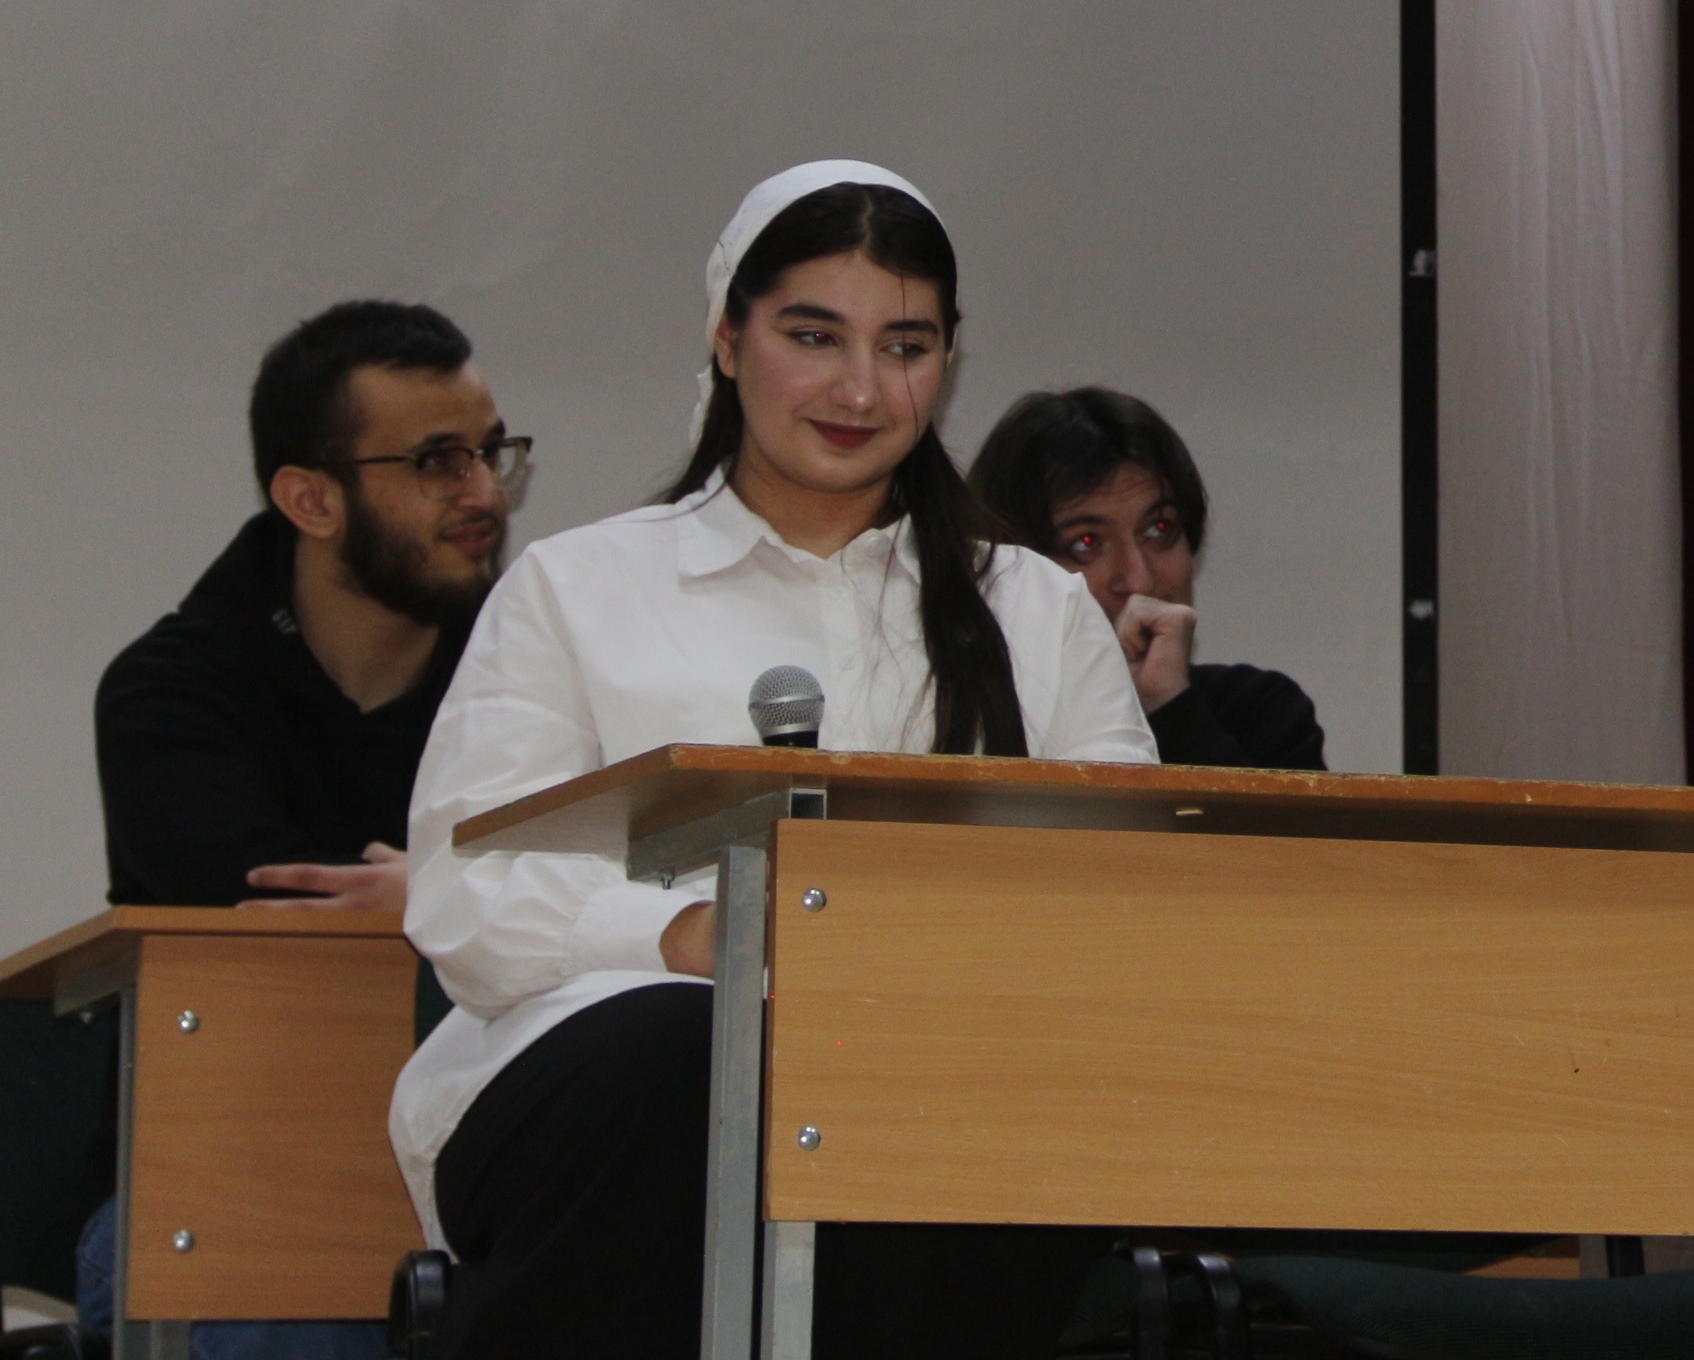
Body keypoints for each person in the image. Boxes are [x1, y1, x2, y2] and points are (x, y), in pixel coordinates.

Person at [394, 164, 1156, 1360]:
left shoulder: (1037, 611)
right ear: (727, 335)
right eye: (813, 336)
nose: (860, 389)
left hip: (925, 1067)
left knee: (994, 1092)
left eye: (905, 347)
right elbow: (464, 886)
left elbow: (1128, 903)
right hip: (613, 1070)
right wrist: (695, 939)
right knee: (692, 1052)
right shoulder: (579, 587)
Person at [78, 299, 522, 1359]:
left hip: (487, 1154)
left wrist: (434, 893)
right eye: (438, 461)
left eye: (491, 452)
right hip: (225, 1169)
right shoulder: (171, 693)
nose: (484, 492)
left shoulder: (531, 672)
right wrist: (470, 894)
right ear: (311, 499)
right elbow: (279, 917)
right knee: (287, 1291)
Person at [968, 386, 1326, 769]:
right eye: (1086, 542)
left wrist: (1170, 705)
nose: (1139, 580)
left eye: (1159, 529)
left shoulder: (1261, 714)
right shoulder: (962, 719)